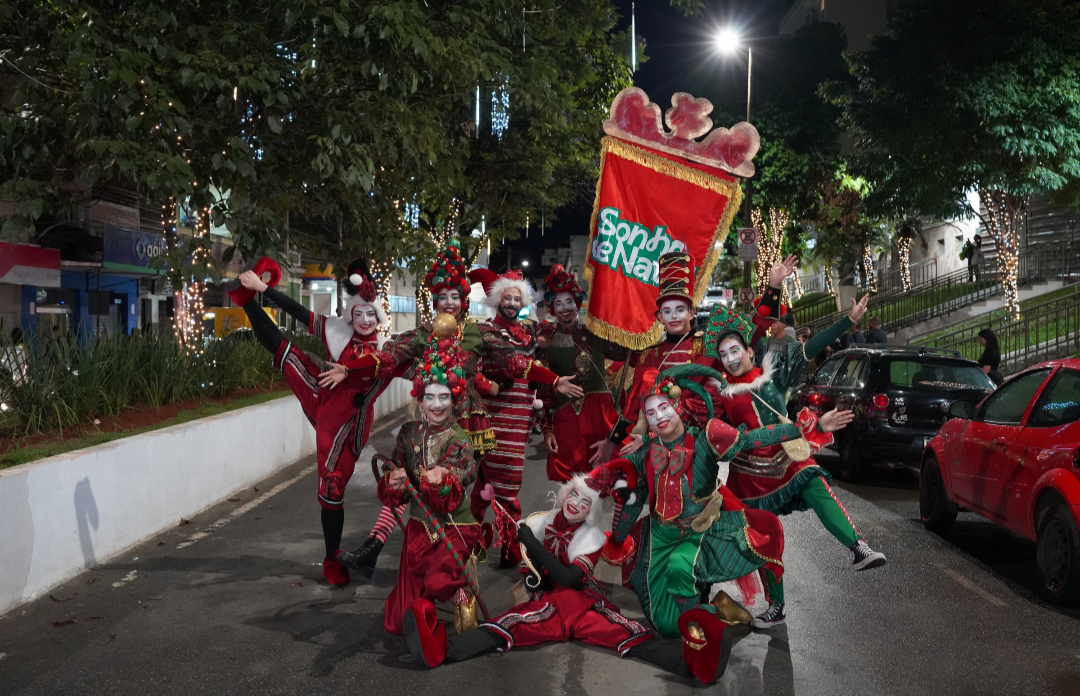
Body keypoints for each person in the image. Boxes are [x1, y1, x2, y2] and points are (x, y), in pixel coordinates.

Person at [337, 242, 580, 575]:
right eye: (443, 297)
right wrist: (349, 369)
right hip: (429, 422)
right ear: (434, 301)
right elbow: (387, 357)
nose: (449, 303)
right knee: (406, 480)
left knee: (452, 491)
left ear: (463, 302)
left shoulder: (477, 334)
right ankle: (375, 545)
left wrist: (554, 381)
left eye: (455, 297)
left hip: (469, 428)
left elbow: (515, 362)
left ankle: (460, 558)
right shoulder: (422, 336)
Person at [401, 468, 738, 685]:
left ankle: (693, 663)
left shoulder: (590, 539)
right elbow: (533, 568)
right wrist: (530, 569)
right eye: (573, 495)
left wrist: (532, 543)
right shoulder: (542, 520)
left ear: (590, 511)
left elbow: (566, 577)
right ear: (565, 496)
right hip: (549, 604)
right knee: (509, 624)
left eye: (585, 502)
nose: (576, 503)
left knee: (628, 634)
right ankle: (442, 649)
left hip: (583, 601)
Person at [690, 261, 886, 626]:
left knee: (814, 481)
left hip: (785, 459)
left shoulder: (773, 375)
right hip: (749, 476)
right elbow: (711, 425)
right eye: (725, 355)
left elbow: (810, 347)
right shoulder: (721, 394)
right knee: (761, 536)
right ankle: (774, 604)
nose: (732, 359)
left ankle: (857, 547)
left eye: (737, 351)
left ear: (751, 351)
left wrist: (848, 321)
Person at [605, 364, 854, 633]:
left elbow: (752, 438)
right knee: (664, 625)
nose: (659, 417)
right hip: (660, 536)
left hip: (696, 533)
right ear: (648, 422)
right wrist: (615, 535)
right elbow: (624, 490)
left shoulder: (706, 437)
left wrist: (801, 429)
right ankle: (719, 608)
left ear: (677, 407)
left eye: (664, 408)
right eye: (651, 413)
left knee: (680, 569)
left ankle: (699, 628)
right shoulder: (644, 454)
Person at [224, 256, 403, 586]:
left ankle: (333, 557)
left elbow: (405, 366)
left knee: (334, 487)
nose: (364, 319)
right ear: (350, 315)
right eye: (358, 313)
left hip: (350, 426)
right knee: (288, 354)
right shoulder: (336, 332)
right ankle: (245, 301)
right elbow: (298, 313)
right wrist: (263, 290)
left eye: (370, 314)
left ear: (377, 316)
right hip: (325, 398)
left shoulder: (386, 349)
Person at [605, 251, 784, 461]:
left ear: (692, 312)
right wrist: (611, 442)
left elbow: (753, 331)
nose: (674, 317)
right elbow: (634, 408)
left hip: (698, 446)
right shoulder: (649, 355)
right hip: (657, 448)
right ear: (659, 316)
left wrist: (773, 287)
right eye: (667, 311)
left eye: (680, 309)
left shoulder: (708, 346)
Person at [467, 266, 585, 567]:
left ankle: (469, 539)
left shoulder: (529, 333)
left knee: (485, 484)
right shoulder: (485, 333)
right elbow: (501, 366)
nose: (511, 303)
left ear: (523, 304)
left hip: (521, 421)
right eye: (506, 298)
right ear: (496, 301)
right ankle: (509, 547)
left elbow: (545, 342)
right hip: (496, 419)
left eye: (516, 299)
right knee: (506, 488)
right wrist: (486, 383)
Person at [375, 343, 482, 635]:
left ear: (454, 399)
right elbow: (396, 470)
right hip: (418, 529)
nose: (437, 405)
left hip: (454, 526)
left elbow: (459, 476)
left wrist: (442, 480)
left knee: (438, 581)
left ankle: (463, 593)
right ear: (420, 401)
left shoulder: (460, 440)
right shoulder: (408, 433)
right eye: (430, 397)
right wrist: (394, 480)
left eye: (444, 397)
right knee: (398, 621)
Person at [536, 265, 625, 482]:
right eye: (558, 303)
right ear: (552, 308)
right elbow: (541, 391)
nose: (565, 308)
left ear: (577, 304)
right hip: (567, 422)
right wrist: (547, 429)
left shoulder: (595, 334)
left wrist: (624, 322)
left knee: (606, 481)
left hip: (601, 418)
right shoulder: (545, 342)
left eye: (569, 302)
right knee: (573, 488)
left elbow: (623, 351)